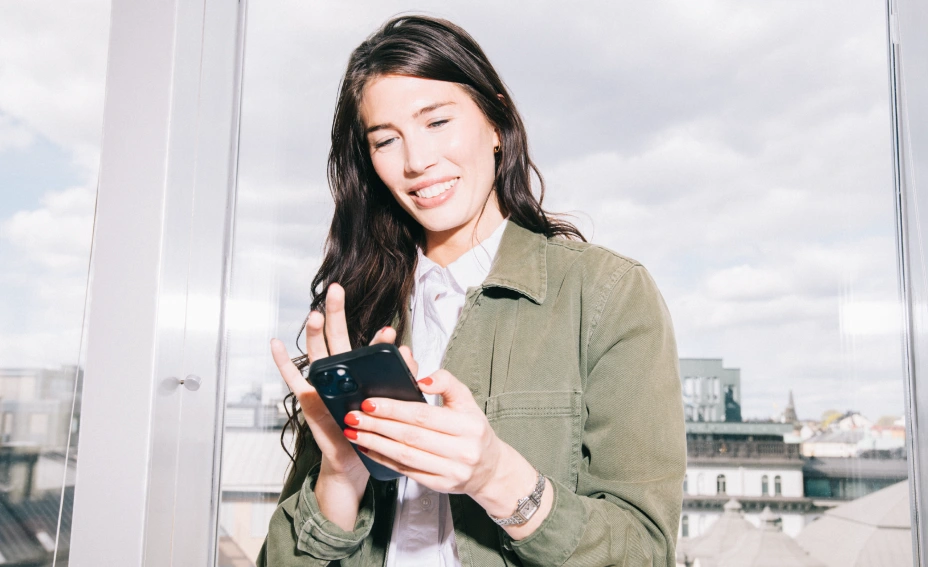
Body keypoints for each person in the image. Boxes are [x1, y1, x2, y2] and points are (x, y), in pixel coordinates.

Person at [257, 15, 685, 567]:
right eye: (386, 140)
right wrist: (340, 474)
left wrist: (496, 477)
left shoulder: (605, 294)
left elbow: (644, 552)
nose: (416, 161)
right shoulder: (363, 310)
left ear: (496, 121)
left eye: (436, 122)